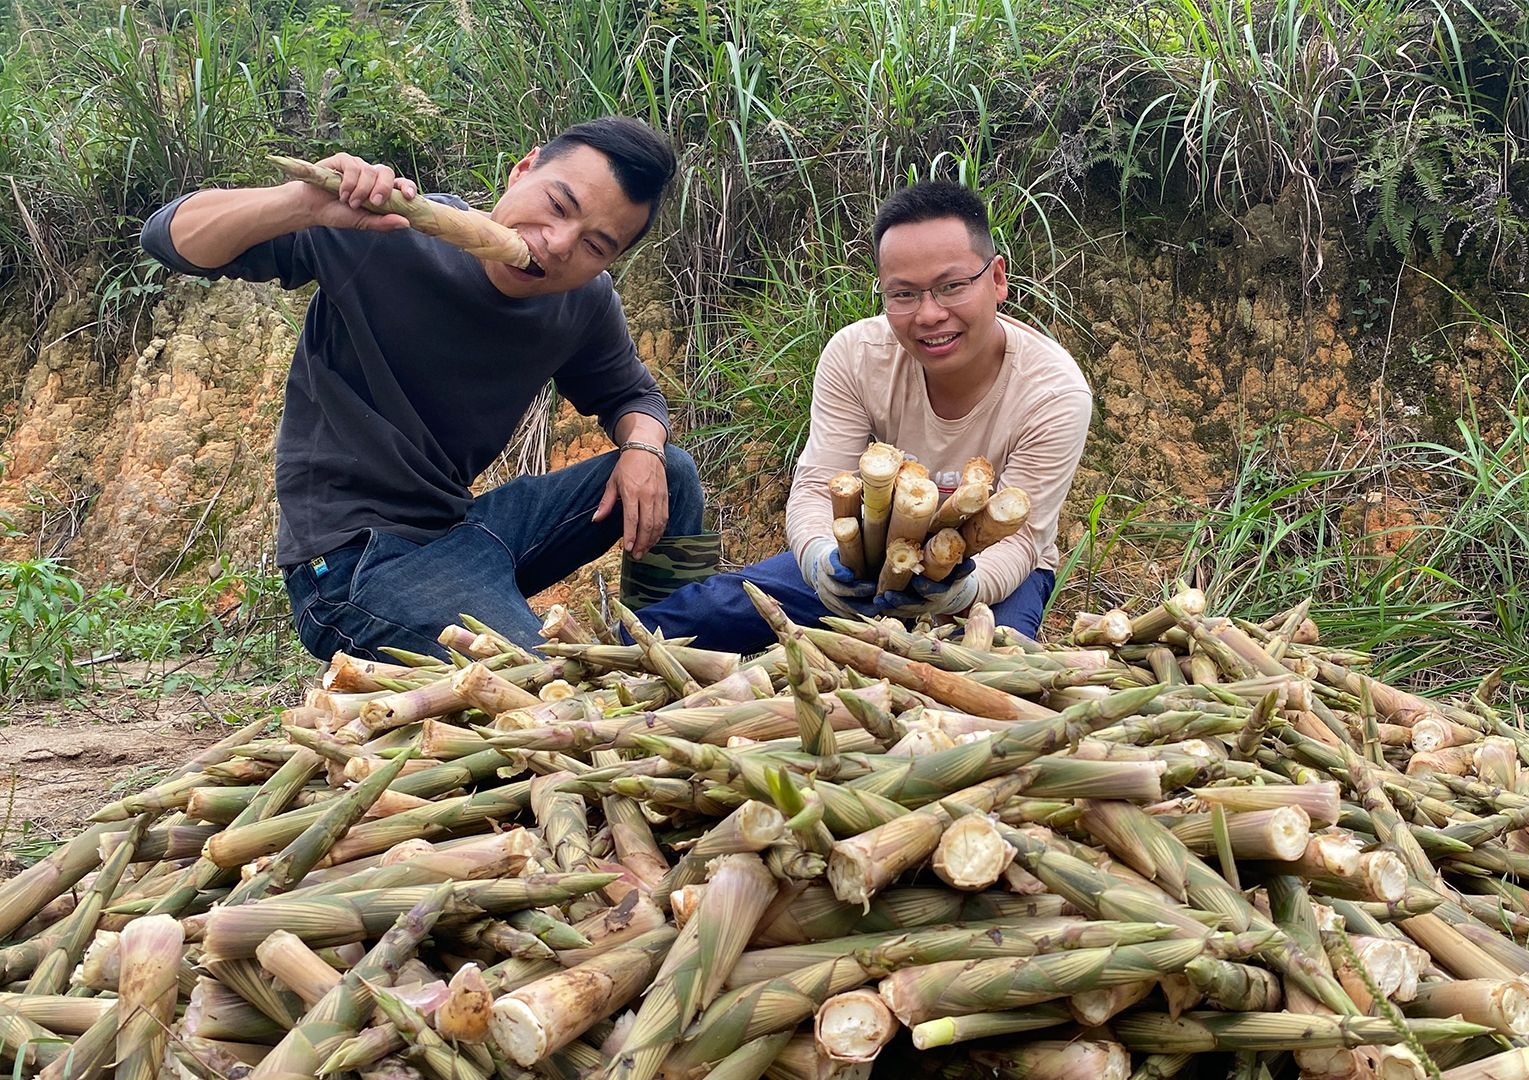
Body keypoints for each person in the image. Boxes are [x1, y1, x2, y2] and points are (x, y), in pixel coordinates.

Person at [141, 117, 714, 661]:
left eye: (596, 245)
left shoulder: (583, 301)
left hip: (462, 534)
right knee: (539, 684)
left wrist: (642, 446)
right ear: (523, 170)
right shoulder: (389, 231)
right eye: (558, 206)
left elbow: (633, 398)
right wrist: (301, 205)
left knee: (672, 470)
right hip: (356, 559)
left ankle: (674, 658)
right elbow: (169, 236)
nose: (560, 244)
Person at [635, 180, 1092, 653]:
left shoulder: (1053, 393)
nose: (930, 315)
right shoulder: (855, 356)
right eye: (904, 294)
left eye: (952, 286)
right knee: (707, 613)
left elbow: (1021, 542)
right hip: (866, 557)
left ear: (997, 278)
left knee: (989, 665)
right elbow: (816, 487)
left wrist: (959, 591)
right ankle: (584, 651)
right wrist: (819, 565)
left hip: (986, 570)